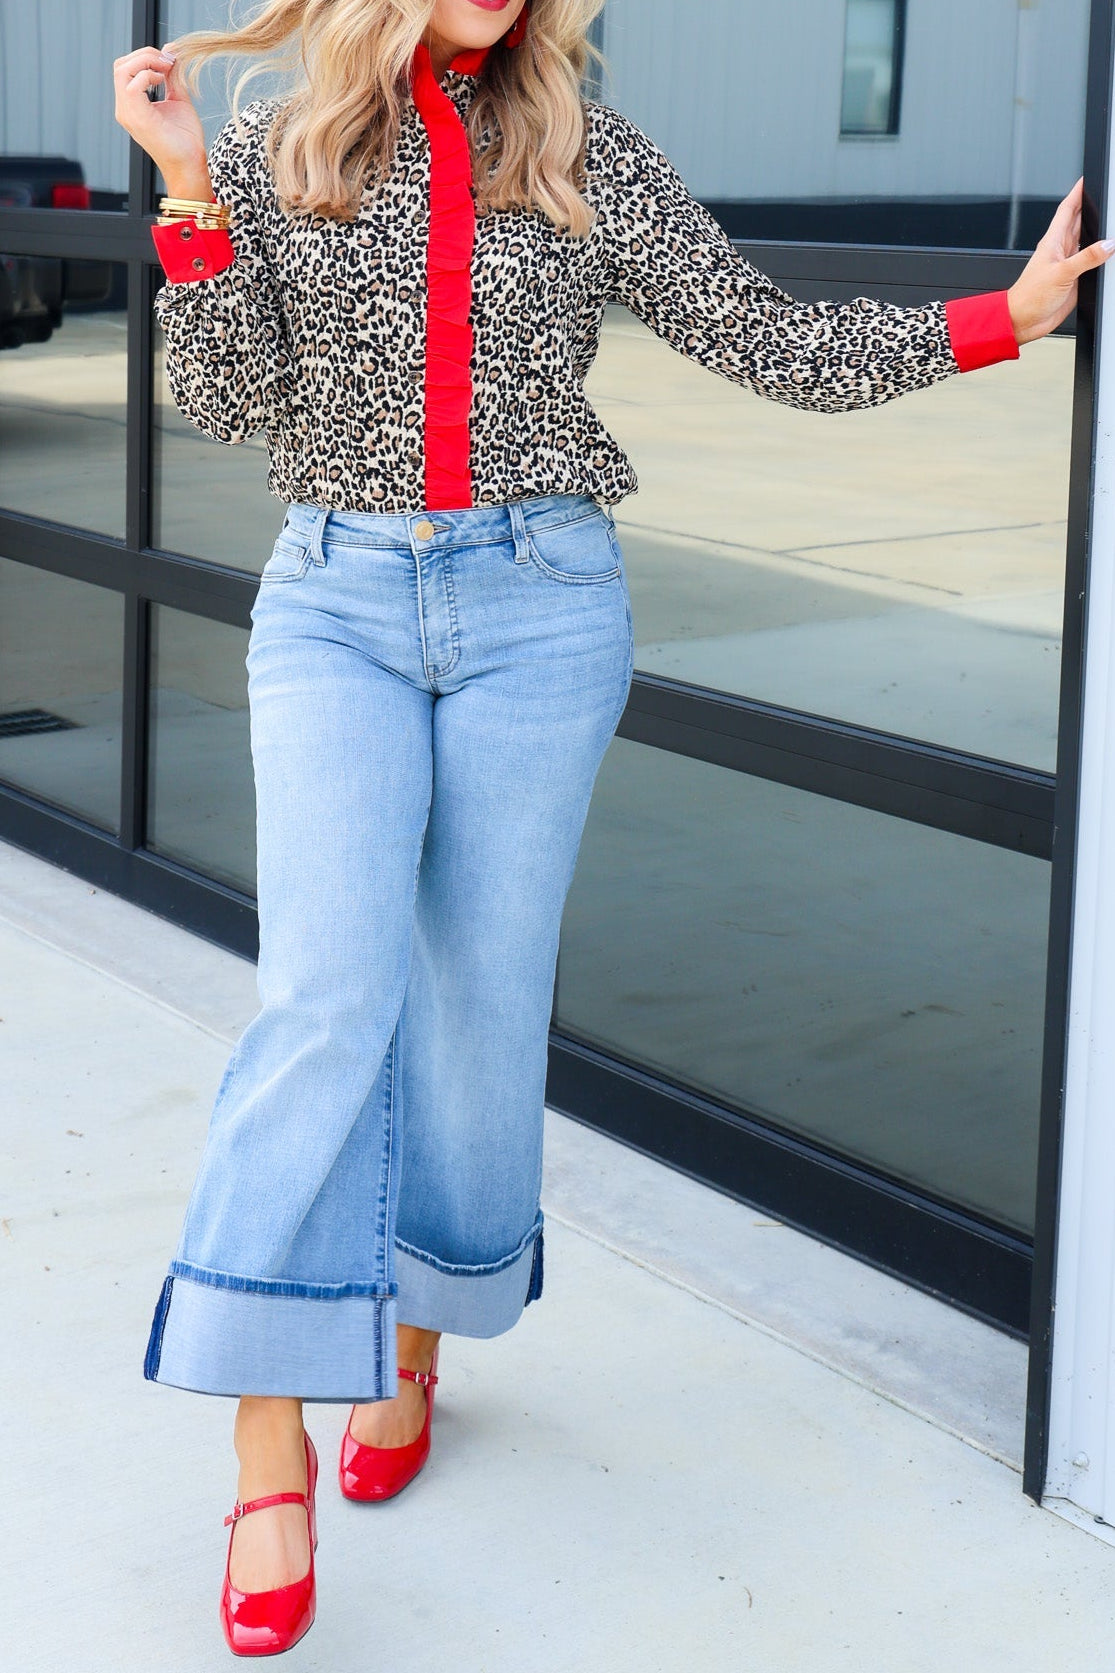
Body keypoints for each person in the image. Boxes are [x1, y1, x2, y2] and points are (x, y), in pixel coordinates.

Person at [113, 0, 1109, 1655]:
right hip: (337, 602)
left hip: (541, 607)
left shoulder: (576, 147)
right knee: (326, 997)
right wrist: (184, 193)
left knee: (482, 1008)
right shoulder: (279, 139)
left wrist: (1004, 315)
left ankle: (423, 1327)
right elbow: (232, 398)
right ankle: (263, 1426)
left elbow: (765, 338)